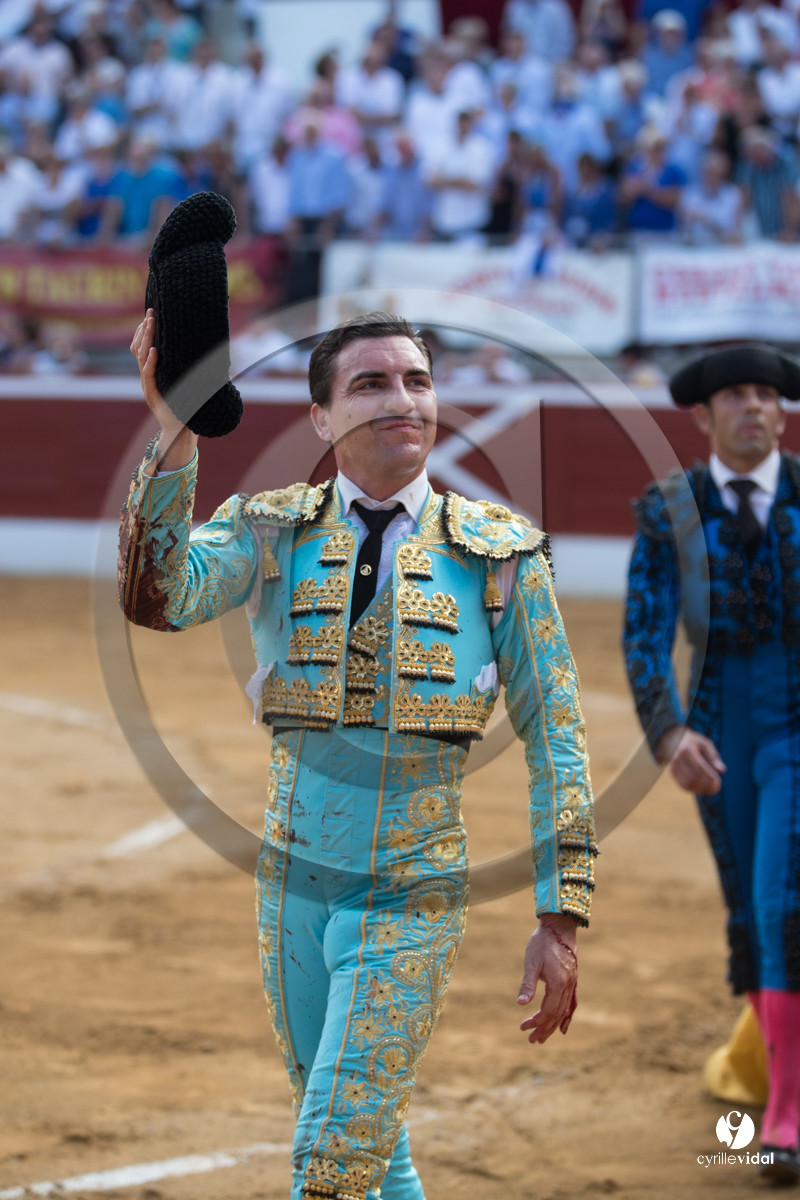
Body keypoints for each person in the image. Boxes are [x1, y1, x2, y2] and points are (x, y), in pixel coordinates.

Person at [119, 308, 596, 1200]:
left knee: (332, 1162)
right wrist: (176, 431)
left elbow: (556, 736)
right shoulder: (270, 531)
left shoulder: (498, 555)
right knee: (369, 1145)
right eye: (370, 384)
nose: (401, 399)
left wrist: (558, 915)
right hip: (290, 889)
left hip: (411, 888)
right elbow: (158, 597)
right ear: (321, 418)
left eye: (416, 380)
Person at [623, 343, 800, 1183]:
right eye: (738, 395)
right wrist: (667, 733)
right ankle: (776, 1075)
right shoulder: (669, 510)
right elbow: (645, 631)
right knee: (748, 911)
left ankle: (788, 1119)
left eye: (768, 395)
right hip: (716, 728)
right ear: (704, 414)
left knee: (779, 906)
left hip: (798, 723)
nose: (756, 408)